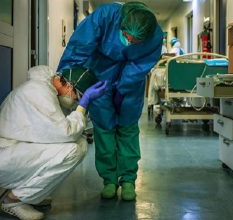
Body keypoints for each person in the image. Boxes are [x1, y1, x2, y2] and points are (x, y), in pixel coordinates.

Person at [57, 2, 163, 201]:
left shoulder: (155, 35)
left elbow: (140, 65)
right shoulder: (106, 15)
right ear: (121, 24)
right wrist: (67, 77)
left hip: (131, 81)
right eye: (127, 36)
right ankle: (109, 180)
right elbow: (80, 46)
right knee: (104, 127)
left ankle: (129, 179)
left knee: (128, 126)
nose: (130, 42)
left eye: (136, 40)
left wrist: (123, 88)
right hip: (99, 73)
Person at [0, 65, 107, 220]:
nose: (75, 101)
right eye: (77, 97)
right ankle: (14, 200)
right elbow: (66, 133)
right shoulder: (39, 93)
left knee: (79, 144)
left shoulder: (47, 90)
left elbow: (69, 129)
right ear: (68, 85)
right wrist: (83, 106)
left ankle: (28, 195)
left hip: (12, 151)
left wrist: (83, 106)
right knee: (73, 150)